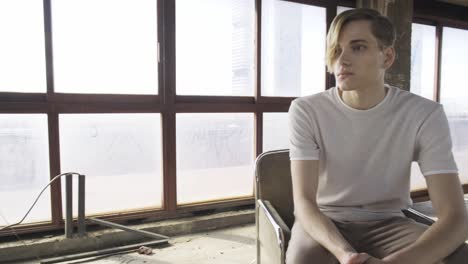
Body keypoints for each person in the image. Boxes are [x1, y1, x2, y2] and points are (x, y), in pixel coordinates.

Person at [287, 8, 468, 264]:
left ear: (387, 56)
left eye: (358, 47)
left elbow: (456, 218)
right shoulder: (307, 110)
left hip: (389, 222)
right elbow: (303, 201)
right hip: (326, 220)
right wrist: (345, 254)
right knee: (303, 260)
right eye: (336, 50)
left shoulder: (424, 114)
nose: (342, 60)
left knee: (459, 256)